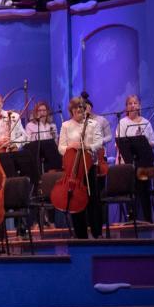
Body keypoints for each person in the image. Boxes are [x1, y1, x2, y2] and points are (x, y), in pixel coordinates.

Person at [58, 96, 105, 239]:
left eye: (81, 109)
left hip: (89, 165)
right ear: (71, 111)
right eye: (76, 109)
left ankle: (97, 233)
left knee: (93, 199)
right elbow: (61, 147)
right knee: (76, 200)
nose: (79, 112)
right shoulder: (66, 125)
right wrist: (71, 146)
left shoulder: (93, 124)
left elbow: (99, 142)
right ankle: (81, 235)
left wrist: (87, 146)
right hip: (73, 167)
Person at [117, 94, 154, 223]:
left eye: (135, 103)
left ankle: (147, 219)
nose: (132, 105)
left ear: (139, 105)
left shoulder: (146, 122)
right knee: (131, 191)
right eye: (130, 103)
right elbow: (119, 142)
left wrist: (147, 143)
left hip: (144, 164)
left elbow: (153, 142)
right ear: (126, 107)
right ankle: (131, 219)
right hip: (129, 165)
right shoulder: (122, 123)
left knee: (144, 191)